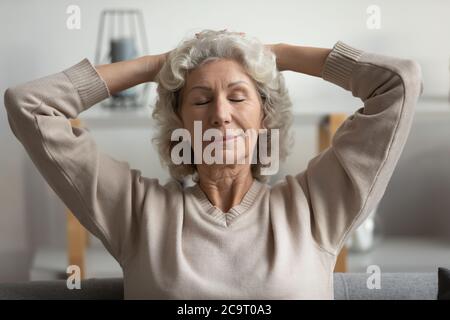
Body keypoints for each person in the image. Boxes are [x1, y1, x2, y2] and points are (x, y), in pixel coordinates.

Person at [4, 29, 423, 299]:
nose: (220, 114)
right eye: (201, 100)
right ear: (180, 125)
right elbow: (29, 104)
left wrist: (278, 54)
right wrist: (156, 66)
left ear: (265, 119)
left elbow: (399, 83)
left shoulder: (316, 207)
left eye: (238, 97)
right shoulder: (135, 212)